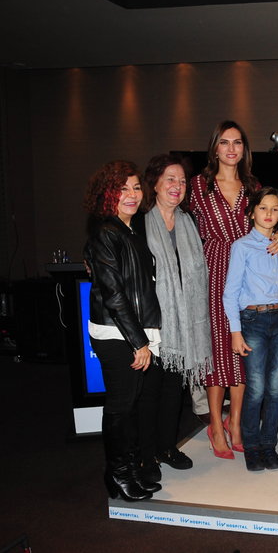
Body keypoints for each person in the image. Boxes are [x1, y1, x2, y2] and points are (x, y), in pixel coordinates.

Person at [189, 120, 278, 459]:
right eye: (225, 142)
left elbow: (271, 218)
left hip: (250, 274)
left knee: (246, 350)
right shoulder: (198, 186)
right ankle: (216, 424)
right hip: (213, 272)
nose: (231, 148)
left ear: (244, 149)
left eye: (237, 142)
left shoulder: (253, 185)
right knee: (217, 350)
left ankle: (237, 422)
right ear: (214, 147)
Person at [84, 160, 162, 501]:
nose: (131, 194)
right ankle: (117, 474)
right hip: (116, 333)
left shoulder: (130, 230)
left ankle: (128, 470)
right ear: (107, 194)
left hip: (132, 331)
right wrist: (138, 342)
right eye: (122, 189)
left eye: (135, 187)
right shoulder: (107, 232)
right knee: (120, 405)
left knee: (130, 405)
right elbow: (114, 295)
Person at [137, 154, 213, 482]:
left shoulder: (188, 222)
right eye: (170, 179)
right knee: (149, 393)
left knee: (173, 391)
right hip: (152, 324)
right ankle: (145, 455)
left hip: (183, 325)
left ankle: (167, 447)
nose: (177, 186)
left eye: (182, 181)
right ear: (154, 183)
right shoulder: (140, 224)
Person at [223, 187, 278, 472]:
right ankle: (251, 446)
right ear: (252, 212)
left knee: (276, 388)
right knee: (255, 388)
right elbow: (230, 292)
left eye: (275, 209)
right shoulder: (241, 246)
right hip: (253, 321)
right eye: (263, 208)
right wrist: (235, 331)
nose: (268, 213)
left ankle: (269, 444)